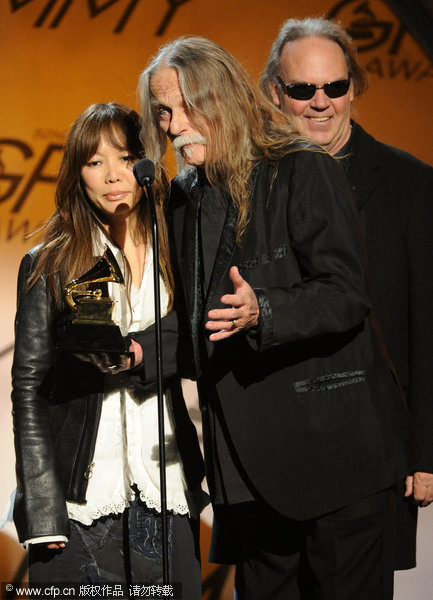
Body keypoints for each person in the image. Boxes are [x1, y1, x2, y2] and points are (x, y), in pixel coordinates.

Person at [137, 37, 415, 600]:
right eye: (163, 110)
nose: (170, 125)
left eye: (183, 105)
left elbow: (346, 293)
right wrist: (139, 352)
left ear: (220, 98)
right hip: (249, 480)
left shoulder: (301, 169)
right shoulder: (184, 198)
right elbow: (203, 322)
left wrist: (266, 310)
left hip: (335, 467)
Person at [260, 16, 433, 572]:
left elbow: (428, 325)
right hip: (276, 454)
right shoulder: (249, 186)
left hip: (371, 447)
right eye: (302, 89)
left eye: (334, 87)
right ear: (273, 92)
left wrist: (426, 451)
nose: (320, 103)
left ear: (353, 87)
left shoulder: (411, 186)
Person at [11, 102, 205, 596]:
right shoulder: (49, 262)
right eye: (95, 162)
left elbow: (197, 340)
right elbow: (29, 388)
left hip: (166, 486)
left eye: (124, 158)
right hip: (80, 502)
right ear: (78, 173)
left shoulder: (178, 249)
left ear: (145, 163)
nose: (113, 176)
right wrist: (41, 504)